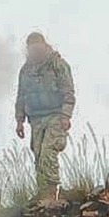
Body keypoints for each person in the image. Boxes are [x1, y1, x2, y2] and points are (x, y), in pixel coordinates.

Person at [14, 31, 75, 206]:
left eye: (37, 48)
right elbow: (21, 96)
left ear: (44, 46)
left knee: (49, 151)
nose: (35, 52)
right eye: (31, 49)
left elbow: (68, 91)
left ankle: (51, 192)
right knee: (39, 155)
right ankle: (42, 192)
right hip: (35, 118)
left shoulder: (57, 65)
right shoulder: (26, 70)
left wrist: (66, 115)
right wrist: (19, 120)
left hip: (55, 115)